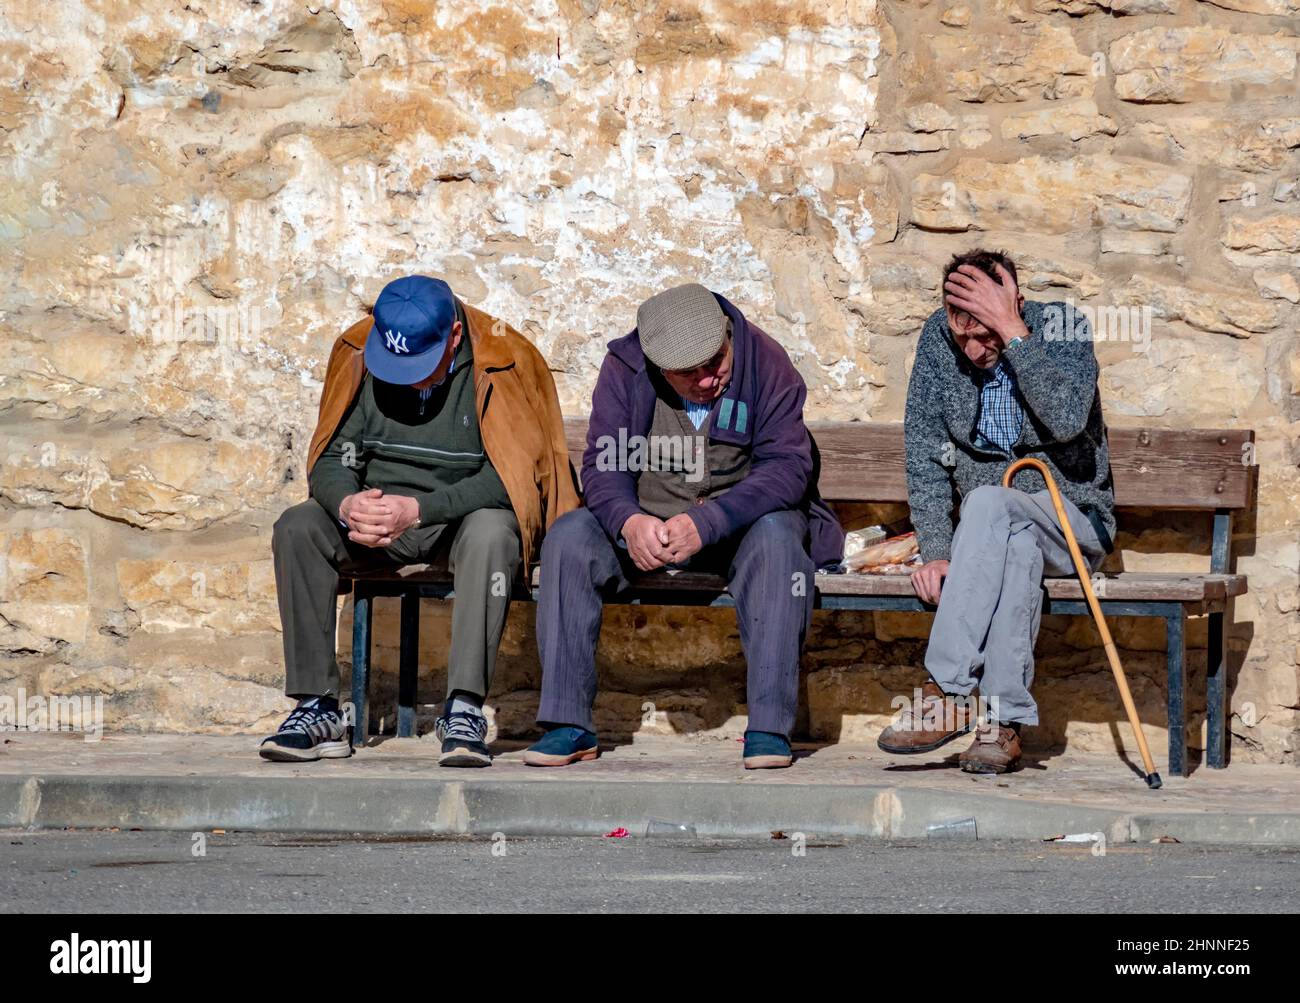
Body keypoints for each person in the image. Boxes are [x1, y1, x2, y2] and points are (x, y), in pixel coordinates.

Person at [523, 282, 843, 771]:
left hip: (741, 528)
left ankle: (768, 729)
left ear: (726, 337)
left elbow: (788, 469)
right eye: (687, 374)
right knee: (568, 540)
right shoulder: (624, 368)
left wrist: (709, 520)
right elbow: (603, 467)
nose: (707, 380)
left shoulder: (767, 363)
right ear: (657, 366)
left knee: (781, 544)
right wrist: (629, 522)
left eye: (714, 364)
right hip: (646, 527)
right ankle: (568, 724)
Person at [262, 275, 578, 766]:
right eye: (396, 366)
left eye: (420, 367)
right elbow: (331, 457)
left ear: (454, 335)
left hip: (458, 524)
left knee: (494, 533)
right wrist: (349, 505)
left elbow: (516, 480)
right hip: (376, 523)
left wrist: (419, 510)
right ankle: (317, 706)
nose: (407, 379)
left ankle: (465, 707)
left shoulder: (505, 359)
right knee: (297, 527)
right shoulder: (357, 351)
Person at [878, 249, 1114, 774]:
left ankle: (946, 690)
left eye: (986, 333)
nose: (975, 348)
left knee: (990, 502)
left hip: (1072, 520)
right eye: (964, 335)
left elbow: (1068, 417)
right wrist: (937, 550)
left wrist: (1014, 334)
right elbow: (924, 449)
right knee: (1015, 547)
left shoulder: (1062, 328)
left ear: (1017, 304)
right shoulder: (939, 341)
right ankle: (1001, 726)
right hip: (998, 536)